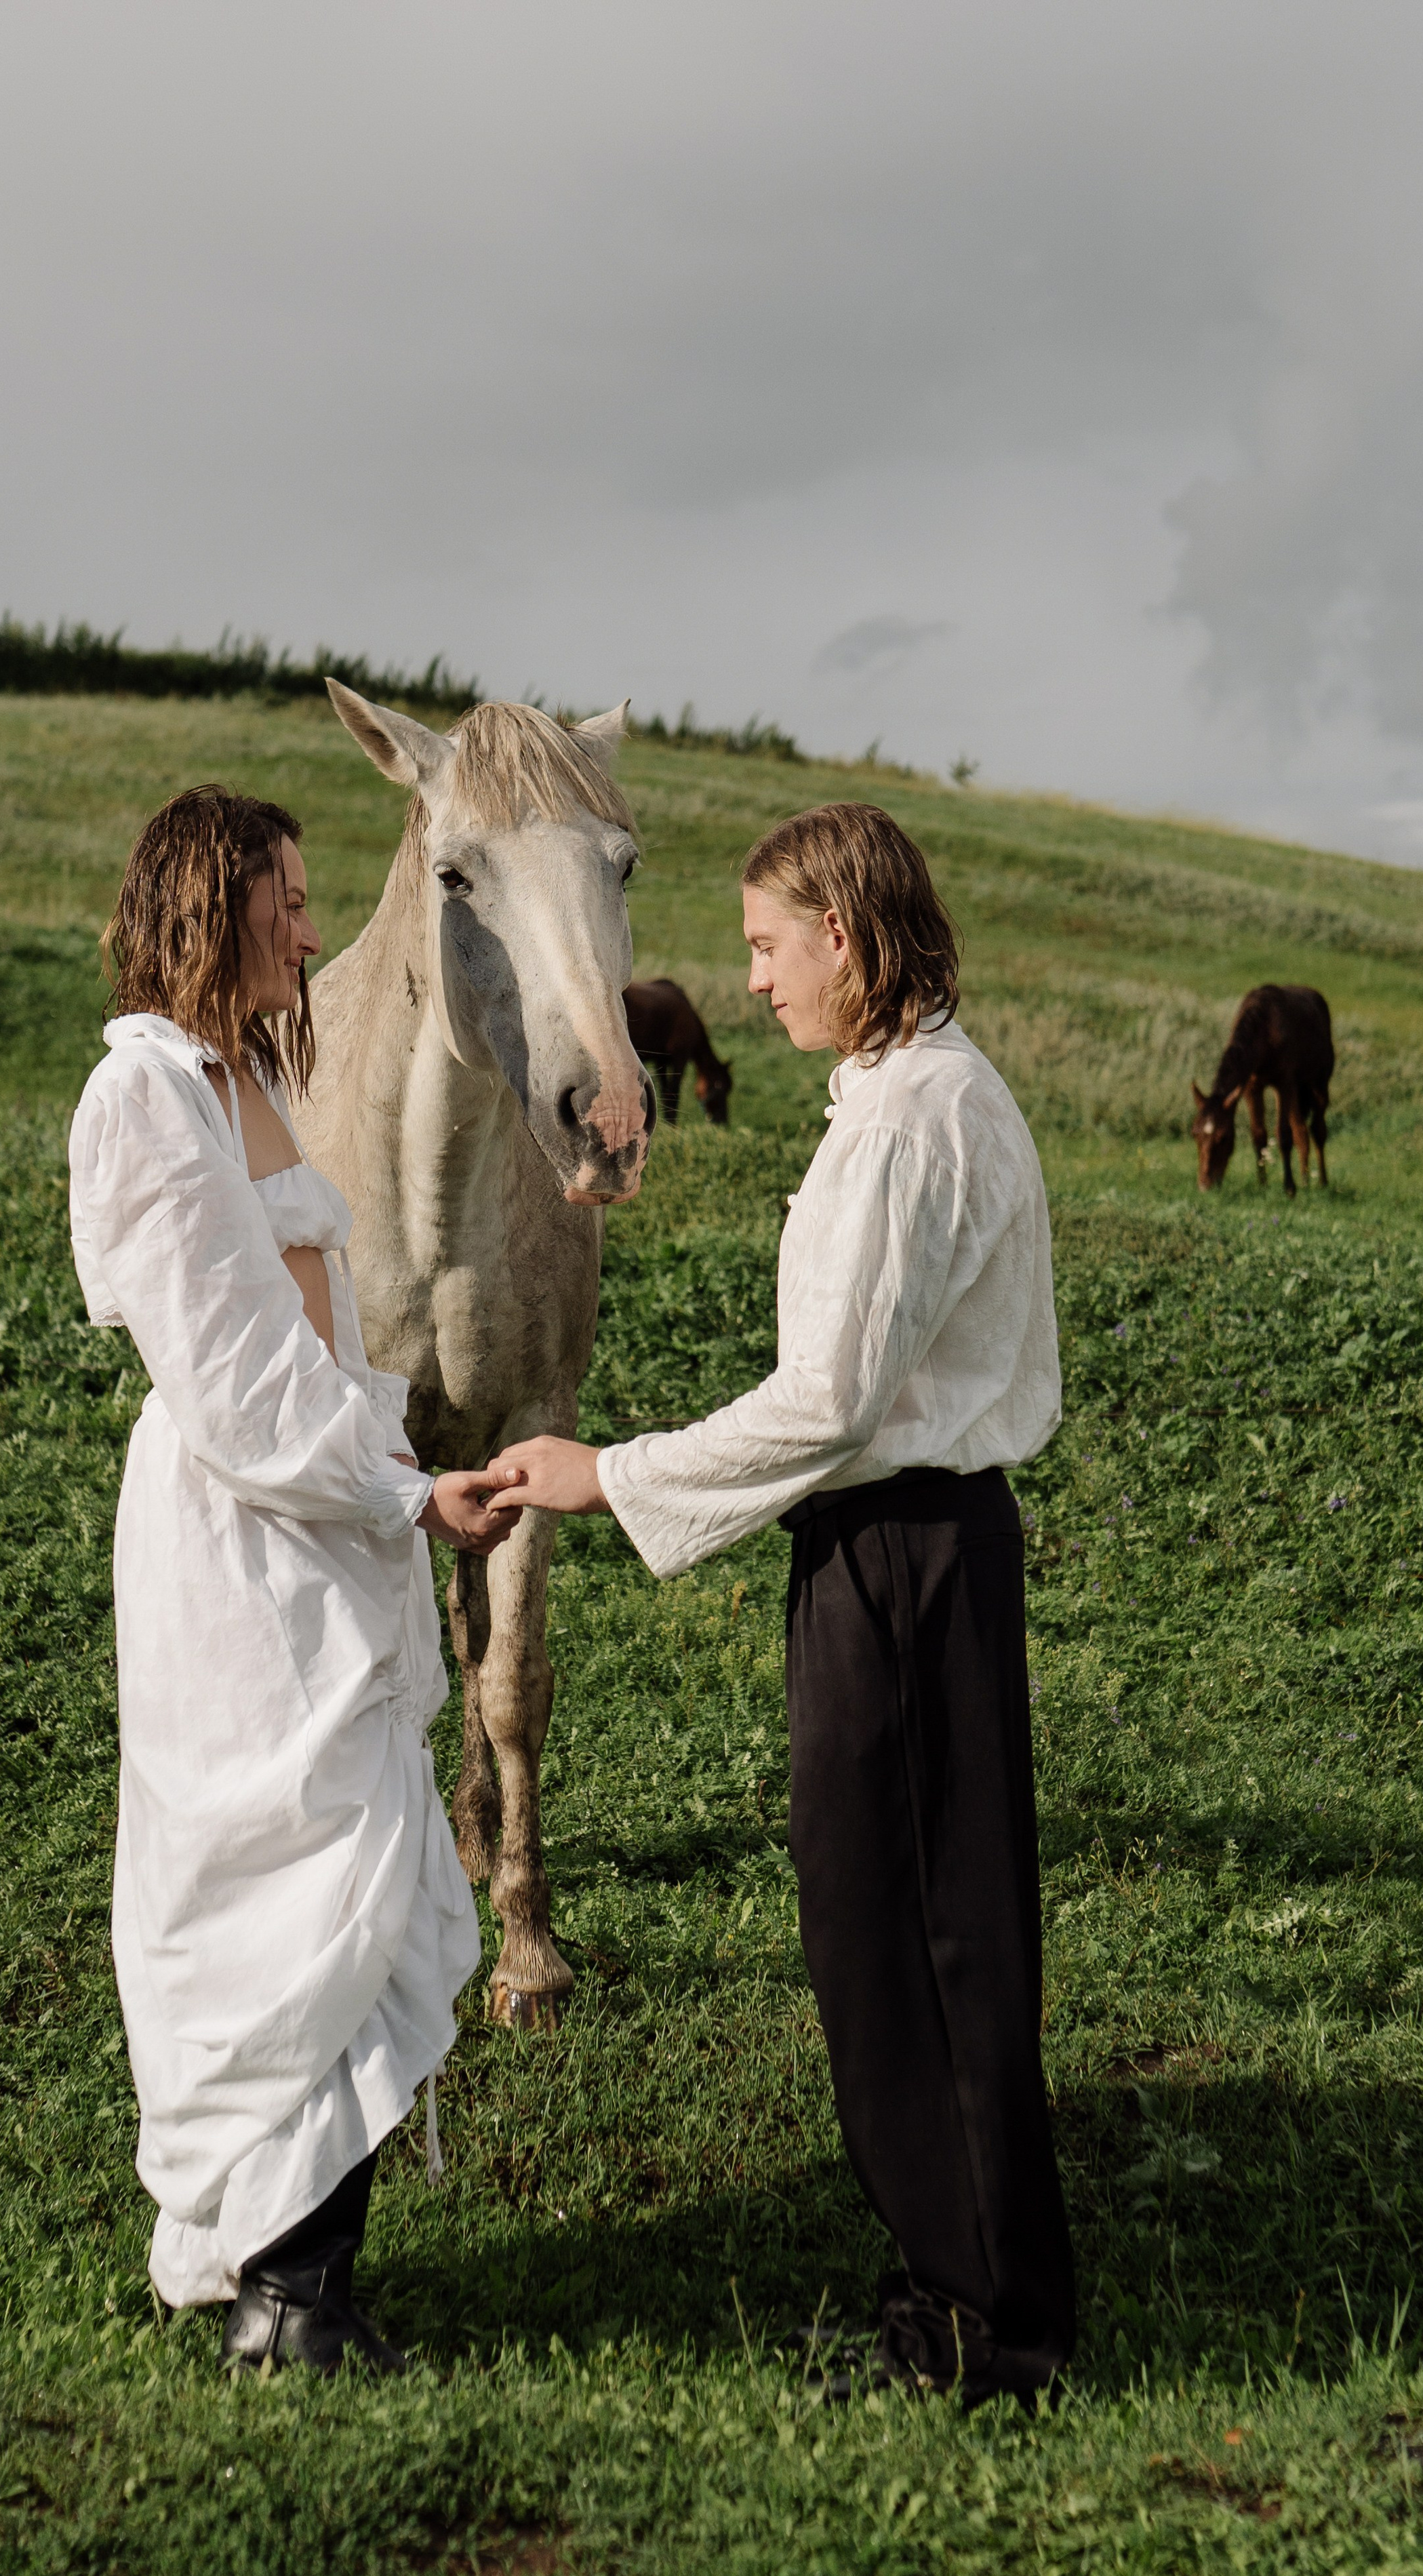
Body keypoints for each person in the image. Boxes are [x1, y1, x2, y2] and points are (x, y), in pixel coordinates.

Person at [488, 801, 1075, 2405]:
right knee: (890, 1919)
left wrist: (606, 1473)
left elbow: (826, 1403)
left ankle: (977, 2327)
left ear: (844, 933)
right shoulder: (909, 1093)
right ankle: (958, 2291)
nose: (747, 981)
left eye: (765, 946)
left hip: (903, 1553)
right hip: (901, 1545)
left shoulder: (905, 1123)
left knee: (918, 1938)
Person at [68, 786, 515, 2375]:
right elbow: (237, 1383)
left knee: (354, 1865)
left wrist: (398, 1479)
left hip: (321, 1517)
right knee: (268, 1878)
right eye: (292, 903)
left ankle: (306, 2289)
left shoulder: (244, 1075)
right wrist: (395, 1489)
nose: (315, 934)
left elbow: (312, 1349)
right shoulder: (143, 1099)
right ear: (214, 905)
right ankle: (281, 2295)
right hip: (239, 1539)